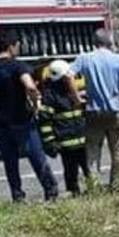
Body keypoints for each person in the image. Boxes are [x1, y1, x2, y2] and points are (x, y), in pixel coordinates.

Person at [0, 31, 58, 202]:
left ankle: (17, 195)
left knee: (10, 161)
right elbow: (29, 86)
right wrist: (36, 101)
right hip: (21, 119)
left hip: (1, 121)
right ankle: (50, 191)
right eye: (17, 45)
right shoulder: (17, 66)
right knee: (36, 155)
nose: (18, 49)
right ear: (11, 46)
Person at [70, 29, 119, 190]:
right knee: (118, 149)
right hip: (115, 109)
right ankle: (118, 185)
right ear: (110, 42)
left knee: (93, 150)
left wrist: (76, 98)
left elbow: (68, 75)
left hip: (93, 110)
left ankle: (94, 186)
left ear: (94, 42)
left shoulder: (85, 58)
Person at [38, 60, 90, 196]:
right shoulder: (50, 96)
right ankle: (74, 192)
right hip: (66, 142)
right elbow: (45, 122)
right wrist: (50, 142)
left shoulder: (72, 91)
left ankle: (93, 191)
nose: (71, 78)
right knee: (71, 171)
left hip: (82, 139)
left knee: (88, 169)